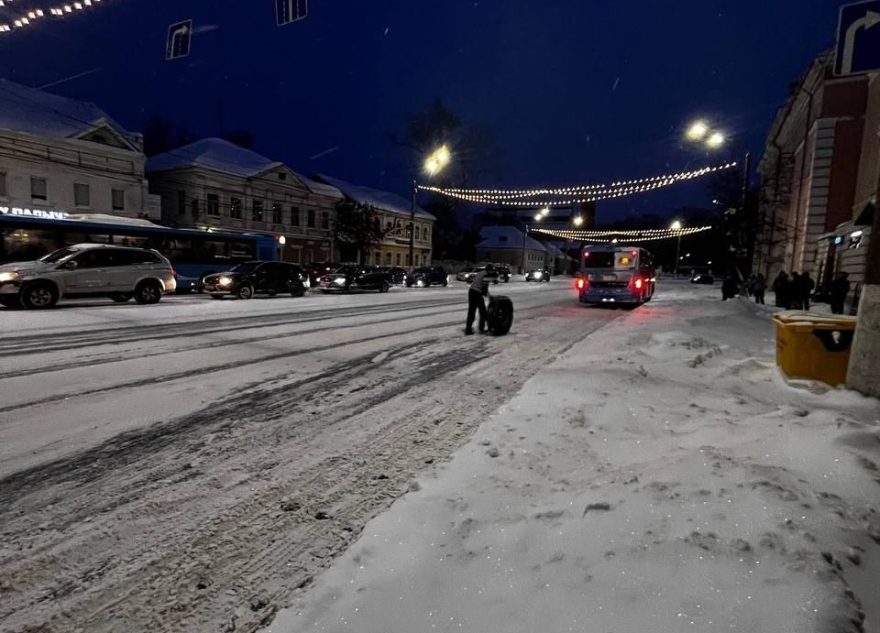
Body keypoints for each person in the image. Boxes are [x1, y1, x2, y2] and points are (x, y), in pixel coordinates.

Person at [465, 264, 494, 335]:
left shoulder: (480, 273)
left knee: (471, 311)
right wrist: (489, 297)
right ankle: (481, 328)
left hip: (471, 291)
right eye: (491, 270)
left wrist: (488, 295)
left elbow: (481, 285)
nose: (492, 272)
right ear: (489, 270)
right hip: (477, 293)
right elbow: (484, 288)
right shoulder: (486, 275)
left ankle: (468, 329)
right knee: (483, 311)